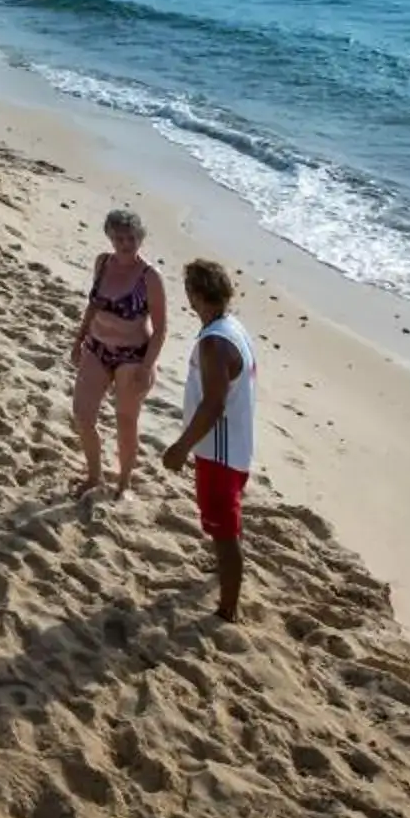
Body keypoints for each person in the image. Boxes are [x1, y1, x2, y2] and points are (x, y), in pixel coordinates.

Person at [161, 258, 258, 622]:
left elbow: (214, 404)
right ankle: (223, 577)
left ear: (194, 295)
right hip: (236, 446)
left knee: (225, 531)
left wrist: (181, 447)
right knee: (226, 525)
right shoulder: (232, 327)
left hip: (220, 452)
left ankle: (228, 608)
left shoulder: (215, 343)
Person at [67, 208, 166, 502]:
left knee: (126, 421)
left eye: (132, 237)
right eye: (120, 237)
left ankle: (124, 482)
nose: (126, 243)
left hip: (132, 357)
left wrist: (147, 367)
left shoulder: (150, 277)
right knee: (83, 415)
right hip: (97, 349)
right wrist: (78, 339)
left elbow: (161, 329)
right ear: (110, 238)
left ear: (141, 237)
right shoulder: (103, 263)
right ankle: (94, 476)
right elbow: (93, 306)